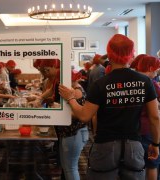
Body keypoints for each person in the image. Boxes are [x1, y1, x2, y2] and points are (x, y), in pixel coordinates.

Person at [59, 34, 160, 180]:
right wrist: (156, 143)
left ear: (109, 55)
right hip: (133, 144)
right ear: (131, 54)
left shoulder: (100, 84)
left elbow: (84, 115)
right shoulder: (145, 81)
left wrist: (70, 98)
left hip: (105, 144)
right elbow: (154, 117)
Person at [55, 70, 88, 180]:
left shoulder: (75, 91)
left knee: (70, 168)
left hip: (74, 132)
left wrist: (58, 110)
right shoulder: (75, 89)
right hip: (71, 132)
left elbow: (78, 114)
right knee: (67, 167)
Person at [133, 54, 160, 180]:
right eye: (156, 69)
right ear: (150, 68)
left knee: (137, 165)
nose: (157, 72)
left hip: (133, 127)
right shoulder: (152, 84)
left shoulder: (132, 80)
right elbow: (155, 115)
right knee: (152, 164)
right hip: (149, 129)